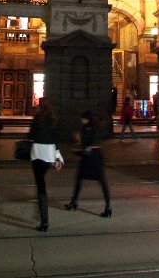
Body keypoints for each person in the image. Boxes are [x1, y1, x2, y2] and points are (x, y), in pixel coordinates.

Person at [65, 111, 112, 218]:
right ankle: (108, 206)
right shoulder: (94, 128)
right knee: (101, 182)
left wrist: (76, 148)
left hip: (90, 158)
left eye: (83, 118)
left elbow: (87, 146)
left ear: (87, 119)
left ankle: (74, 202)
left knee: (80, 179)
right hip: (96, 158)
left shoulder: (88, 129)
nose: (81, 120)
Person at [28, 97, 64, 232]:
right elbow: (56, 140)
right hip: (49, 156)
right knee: (41, 182)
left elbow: (30, 135)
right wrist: (58, 158)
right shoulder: (53, 119)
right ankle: (41, 214)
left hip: (37, 153)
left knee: (40, 185)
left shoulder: (37, 118)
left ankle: (44, 220)